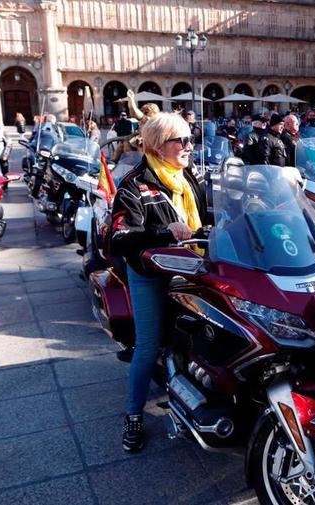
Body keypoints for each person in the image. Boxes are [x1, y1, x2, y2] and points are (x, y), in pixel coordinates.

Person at [109, 113, 207, 453]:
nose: (188, 146)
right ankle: (134, 415)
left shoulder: (188, 178)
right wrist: (165, 232)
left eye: (190, 139)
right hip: (150, 272)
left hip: (192, 267)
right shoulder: (135, 185)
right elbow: (118, 237)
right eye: (180, 140)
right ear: (156, 145)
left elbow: (209, 219)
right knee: (148, 345)